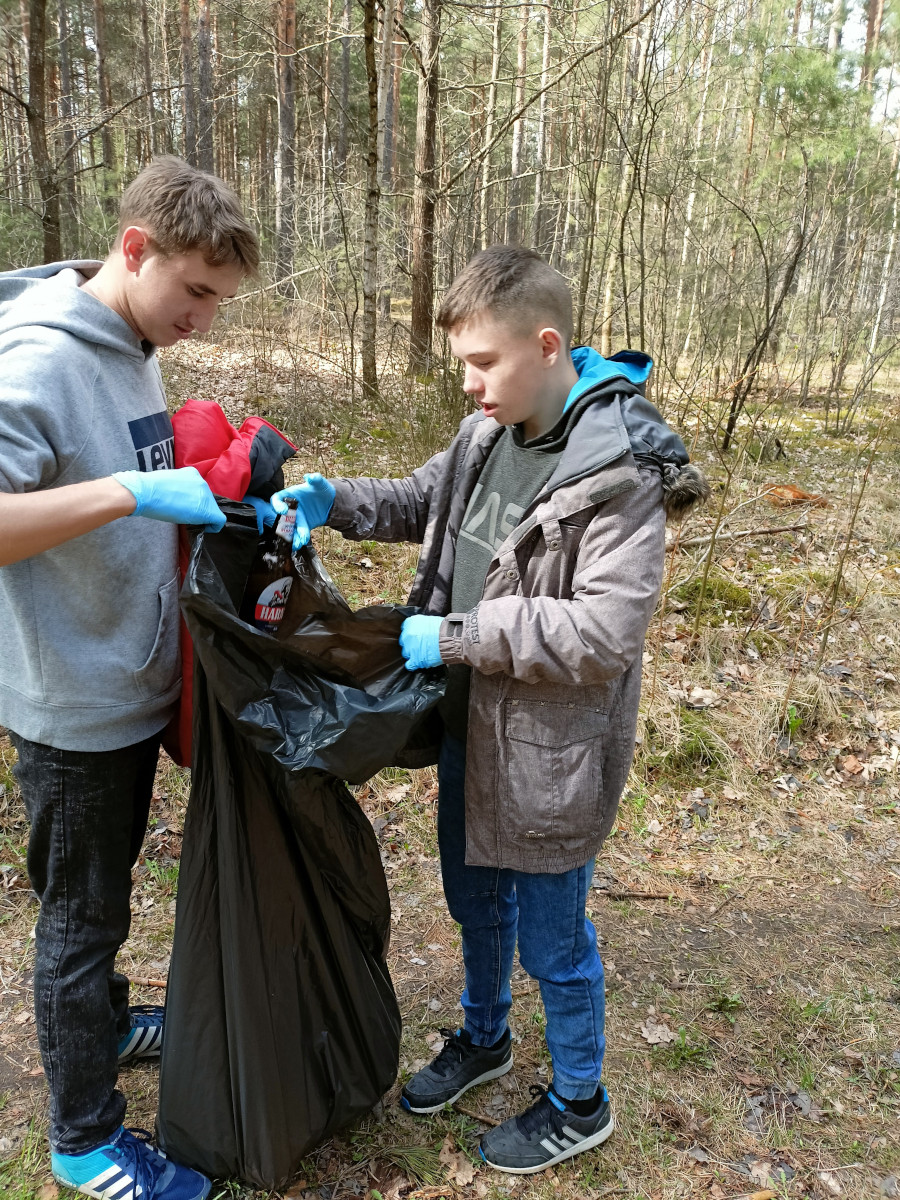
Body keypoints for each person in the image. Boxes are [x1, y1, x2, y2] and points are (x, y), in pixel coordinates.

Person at [273, 245, 708, 1175]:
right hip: (470, 724)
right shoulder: (486, 434)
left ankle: (580, 1098)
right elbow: (420, 502)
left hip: (551, 752)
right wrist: (335, 500)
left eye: (483, 363)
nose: (469, 382)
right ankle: (485, 1038)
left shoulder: (619, 476)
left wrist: (462, 634)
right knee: (476, 904)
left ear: (546, 345)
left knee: (556, 936)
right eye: (463, 363)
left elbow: (604, 633)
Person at [0, 156, 260, 1200]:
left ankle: (104, 1023)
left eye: (219, 300)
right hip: (73, 703)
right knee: (79, 922)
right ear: (136, 248)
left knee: (94, 905)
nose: (203, 317)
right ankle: (84, 1142)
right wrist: (126, 492)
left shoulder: (136, 341)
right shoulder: (36, 362)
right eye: (195, 290)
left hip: (130, 676)